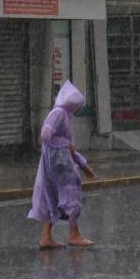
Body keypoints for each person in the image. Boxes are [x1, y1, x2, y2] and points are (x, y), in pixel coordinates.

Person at [28, 81, 96, 249]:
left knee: (51, 195)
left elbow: (69, 148)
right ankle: (74, 234)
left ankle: (46, 237)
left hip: (57, 160)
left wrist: (84, 165)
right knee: (71, 193)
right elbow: (46, 135)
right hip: (58, 163)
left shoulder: (64, 114)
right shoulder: (59, 113)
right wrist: (64, 144)